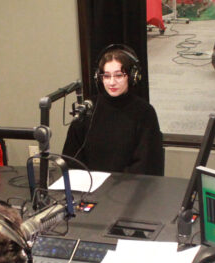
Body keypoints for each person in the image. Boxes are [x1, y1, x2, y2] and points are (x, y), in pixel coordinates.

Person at [62, 45, 164, 175]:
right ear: (99, 78)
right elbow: (70, 158)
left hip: (129, 188)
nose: (111, 82)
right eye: (106, 76)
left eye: (119, 75)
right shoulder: (88, 108)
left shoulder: (145, 112)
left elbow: (146, 164)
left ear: (132, 77)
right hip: (89, 188)